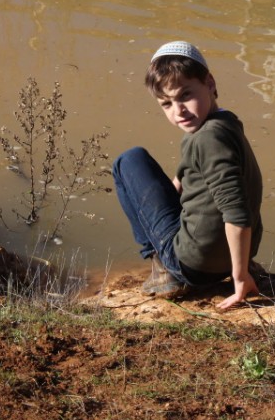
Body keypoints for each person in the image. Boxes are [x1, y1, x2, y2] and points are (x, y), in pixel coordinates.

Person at [112, 41, 263, 310]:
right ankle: (234, 262)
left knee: (129, 161)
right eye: (166, 104)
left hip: (194, 266)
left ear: (210, 83)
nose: (178, 111)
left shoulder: (206, 139)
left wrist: (239, 279)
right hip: (235, 255)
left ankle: (163, 267)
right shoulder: (226, 123)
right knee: (169, 186)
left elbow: (236, 212)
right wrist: (167, 197)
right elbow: (192, 172)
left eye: (185, 95)